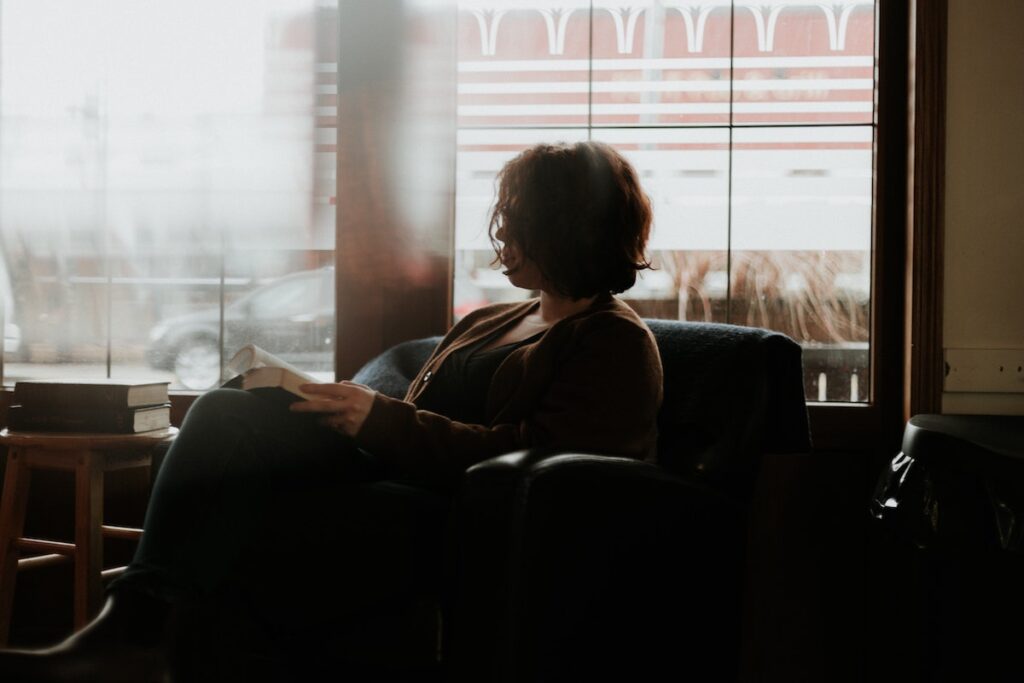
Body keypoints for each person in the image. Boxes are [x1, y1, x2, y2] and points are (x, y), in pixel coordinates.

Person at [0, 140, 663, 681]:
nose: (505, 235)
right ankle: (150, 637)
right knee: (225, 410)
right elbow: (419, 408)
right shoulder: (497, 317)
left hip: (451, 508)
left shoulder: (614, 340)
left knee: (227, 437)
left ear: (568, 227)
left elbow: (542, 461)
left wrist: (381, 420)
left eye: (522, 220)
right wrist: (336, 405)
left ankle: (135, 636)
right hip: (390, 464)